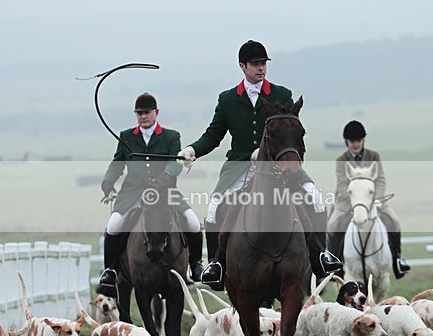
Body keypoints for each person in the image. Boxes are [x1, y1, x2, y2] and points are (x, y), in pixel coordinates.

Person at [178, 40, 341, 288]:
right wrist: (192, 150)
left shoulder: (281, 94)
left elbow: (289, 131)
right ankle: (216, 264)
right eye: (255, 64)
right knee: (214, 207)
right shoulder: (228, 99)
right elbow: (213, 135)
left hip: (280, 164)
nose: (261, 68)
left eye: (263, 63)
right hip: (240, 166)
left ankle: (321, 255)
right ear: (242, 66)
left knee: (316, 198)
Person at [97, 92, 203, 297]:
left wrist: (165, 176)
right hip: (133, 193)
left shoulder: (171, 136)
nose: (143, 116)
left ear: (156, 112)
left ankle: (195, 265)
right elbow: (117, 163)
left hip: (165, 192)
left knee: (193, 222)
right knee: (113, 225)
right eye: (139, 113)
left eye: (146, 112)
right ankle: (110, 270)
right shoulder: (127, 136)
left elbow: (176, 163)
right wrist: (108, 182)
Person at [327, 120, 411, 279]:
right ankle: (333, 262)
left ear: (363, 140)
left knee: (394, 221)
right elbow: (342, 184)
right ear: (347, 142)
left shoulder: (374, 156)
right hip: (348, 200)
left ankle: (397, 260)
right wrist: (356, 200)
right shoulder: (341, 160)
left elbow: (380, 180)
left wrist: (376, 198)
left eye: (358, 141)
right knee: (332, 224)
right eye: (352, 141)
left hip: (373, 199)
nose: (355, 144)